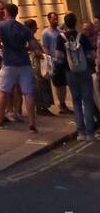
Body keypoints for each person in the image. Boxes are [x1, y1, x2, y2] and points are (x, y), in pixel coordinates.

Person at [0, 1, 41, 132]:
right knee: (28, 93)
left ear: (6, 12)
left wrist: (3, 47)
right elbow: (33, 46)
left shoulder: (1, 25)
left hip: (9, 63)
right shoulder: (24, 28)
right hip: (24, 64)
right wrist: (24, 48)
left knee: (3, 91)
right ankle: (32, 123)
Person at [56, 12, 96, 140]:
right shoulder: (82, 37)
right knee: (88, 100)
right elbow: (91, 55)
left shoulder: (61, 38)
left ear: (65, 23)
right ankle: (90, 133)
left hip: (70, 72)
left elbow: (59, 57)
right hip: (84, 71)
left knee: (76, 101)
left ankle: (81, 132)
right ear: (75, 22)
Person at [41, 12, 70, 114]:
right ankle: (61, 104)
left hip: (63, 61)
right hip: (55, 61)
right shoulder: (46, 33)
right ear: (49, 19)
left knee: (64, 84)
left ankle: (63, 103)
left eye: (57, 19)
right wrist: (49, 59)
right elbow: (45, 46)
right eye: (54, 19)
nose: (56, 21)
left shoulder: (60, 32)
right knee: (58, 84)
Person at [25, 20, 53, 115]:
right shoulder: (30, 39)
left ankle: (40, 106)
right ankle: (42, 107)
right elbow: (36, 51)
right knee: (40, 85)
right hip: (36, 65)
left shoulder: (28, 38)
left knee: (38, 86)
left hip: (34, 64)